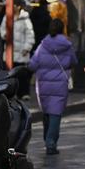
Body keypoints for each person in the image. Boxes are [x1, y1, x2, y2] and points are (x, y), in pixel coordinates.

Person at [29, 19, 77, 155]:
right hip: (60, 83)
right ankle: (51, 143)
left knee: (47, 112)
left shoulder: (43, 45)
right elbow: (74, 61)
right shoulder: (67, 45)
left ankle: (47, 139)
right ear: (62, 29)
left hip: (43, 83)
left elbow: (33, 64)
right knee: (56, 113)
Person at [0, 0, 35, 98]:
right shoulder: (6, 17)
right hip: (9, 51)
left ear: (18, 6)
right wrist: (5, 35)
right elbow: (2, 29)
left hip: (21, 52)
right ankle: (10, 93)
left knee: (22, 73)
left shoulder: (25, 19)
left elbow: (30, 35)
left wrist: (27, 47)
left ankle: (23, 93)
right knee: (9, 73)